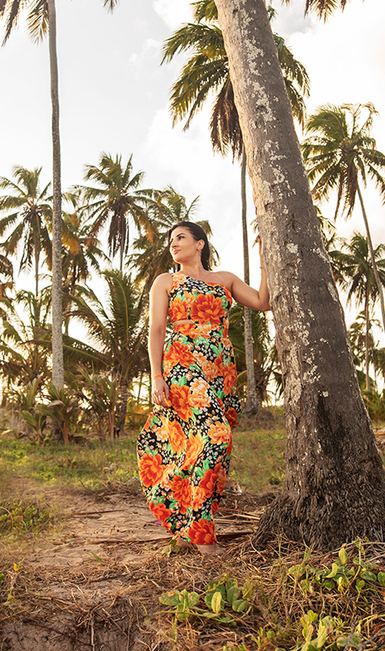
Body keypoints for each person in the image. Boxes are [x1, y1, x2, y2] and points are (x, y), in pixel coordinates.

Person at [136, 220, 270, 555]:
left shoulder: (225, 280)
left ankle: (186, 524)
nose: (173, 243)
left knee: (200, 448)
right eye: (170, 239)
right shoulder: (166, 281)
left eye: (180, 237)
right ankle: (201, 536)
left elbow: (262, 301)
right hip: (181, 364)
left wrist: (265, 259)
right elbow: (156, 330)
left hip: (219, 370)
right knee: (217, 436)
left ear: (200, 244)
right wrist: (156, 376)